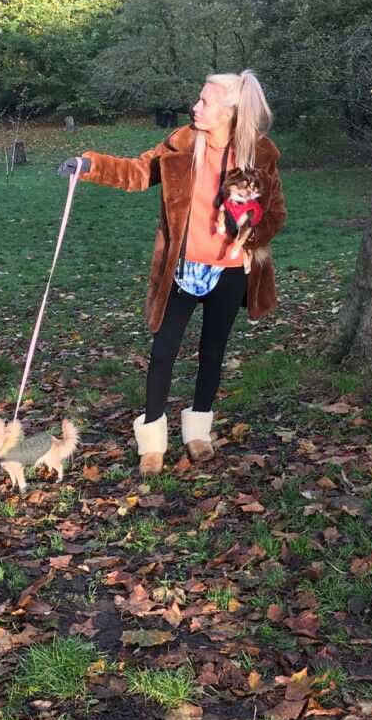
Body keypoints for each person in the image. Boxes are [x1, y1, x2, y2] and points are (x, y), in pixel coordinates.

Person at [58, 70, 286, 475]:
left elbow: (275, 217)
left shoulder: (260, 156)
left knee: (212, 354)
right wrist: (89, 165)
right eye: (198, 100)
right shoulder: (181, 145)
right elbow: (139, 171)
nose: (195, 107)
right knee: (163, 353)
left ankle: (198, 430)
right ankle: (152, 441)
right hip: (183, 270)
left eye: (205, 102)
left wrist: (247, 224)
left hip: (231, 271)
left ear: (229, 112)